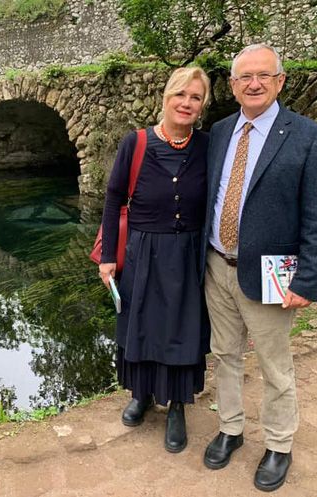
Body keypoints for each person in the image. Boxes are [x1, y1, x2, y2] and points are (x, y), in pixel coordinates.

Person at [201, 43, 317, 491]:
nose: (253, 84)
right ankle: (231, 429)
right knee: (225, 355)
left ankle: (278, 444)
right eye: (244, 77)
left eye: (263, 76)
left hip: (273, 272)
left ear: (280, 81)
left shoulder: (309, 137)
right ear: (233, 85)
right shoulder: (219, 131)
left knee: (276, 365)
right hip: (217, 265)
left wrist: (308, 279)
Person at [98, 66, 211, 453]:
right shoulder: (137, 143)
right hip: (142, 252)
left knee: (182, 329)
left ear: (202, 105)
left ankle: (177, 405)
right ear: (165, 98)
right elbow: (113, 199)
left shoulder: (208, 146)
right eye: (180, 94)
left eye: (195, 97)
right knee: (141, 327)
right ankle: (142, 395)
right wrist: (108, 257)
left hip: (188, 254)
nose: (187, 103)